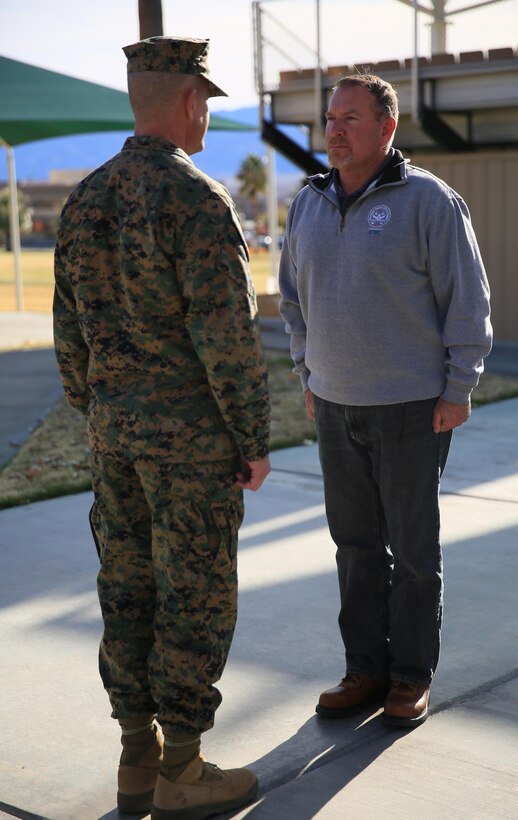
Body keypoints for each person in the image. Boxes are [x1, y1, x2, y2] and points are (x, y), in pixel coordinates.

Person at [53, 36, 270, 820]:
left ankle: (135, 761)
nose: (208, 113)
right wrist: (251, 438)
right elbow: (227, 340)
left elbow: (68, 335)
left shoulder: (85, 199)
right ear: (187, 102)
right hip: (190, 445)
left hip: (113, 437)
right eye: (206, 101)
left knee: (127, 588)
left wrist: (103, 410)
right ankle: (183, 768)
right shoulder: (196, 201)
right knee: (194, 594)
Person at [279, 73, 492, 729]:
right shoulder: (307, 202)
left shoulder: (428, 200)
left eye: (349, 118)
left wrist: (457, 390)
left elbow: (468, 302)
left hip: (411, 407)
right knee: (355, 546)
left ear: (386, 128)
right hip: (335, 406)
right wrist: (307, 372)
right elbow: (291, 298)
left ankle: (408, 677)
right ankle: (364, 668)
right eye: (329, 118)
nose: (334, 130)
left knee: (412, 552)